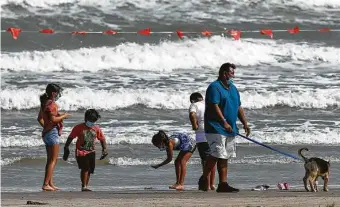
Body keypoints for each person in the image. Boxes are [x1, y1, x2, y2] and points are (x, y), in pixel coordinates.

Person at [198, 63, 250, 192]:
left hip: (230, 128)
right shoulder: (214, 87)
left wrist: (245, 123)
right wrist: (224, 122)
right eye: (232, 73)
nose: (233, 75)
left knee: (225, 156)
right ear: (224, 73)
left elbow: (238, 106)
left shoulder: (233, 88)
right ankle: (204, 178)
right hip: (215, 127)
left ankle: (223, 184)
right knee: (216, 154)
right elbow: (214, 106)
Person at [63, 109, 108, 192]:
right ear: (85, 119)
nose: (91, 123)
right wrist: (66, 147)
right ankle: (84, 186)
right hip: (81, 152)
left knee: (90, 169)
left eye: (93, 121)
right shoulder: (78, 127)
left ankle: (85, 185)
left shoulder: (96, 128)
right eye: (90, 121)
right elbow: (71, 137)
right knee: (85, 168)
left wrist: (104, 149)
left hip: (91, 152)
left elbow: (102, 139)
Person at [37, 83, 70, 191]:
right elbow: (53, 120)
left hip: (47, 133)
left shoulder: (44, 103)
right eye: (57, 92)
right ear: (53, 93)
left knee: (50, 160)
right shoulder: (52, 105)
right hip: (52, 133)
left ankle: (50, 183)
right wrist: (64, 116)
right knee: (53, 160)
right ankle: (46, 184)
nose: (58, 94)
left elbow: (39, 118)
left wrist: (46, 127)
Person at [189, 92, 216, 190]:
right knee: (213, 158)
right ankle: (212, 184)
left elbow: (192, 115)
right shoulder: (209, 104)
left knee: (205, 159)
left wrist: (194, 126)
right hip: (213, 132)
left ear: (192, 100)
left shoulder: (194, 105)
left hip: (201, 133)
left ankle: (207, 184)